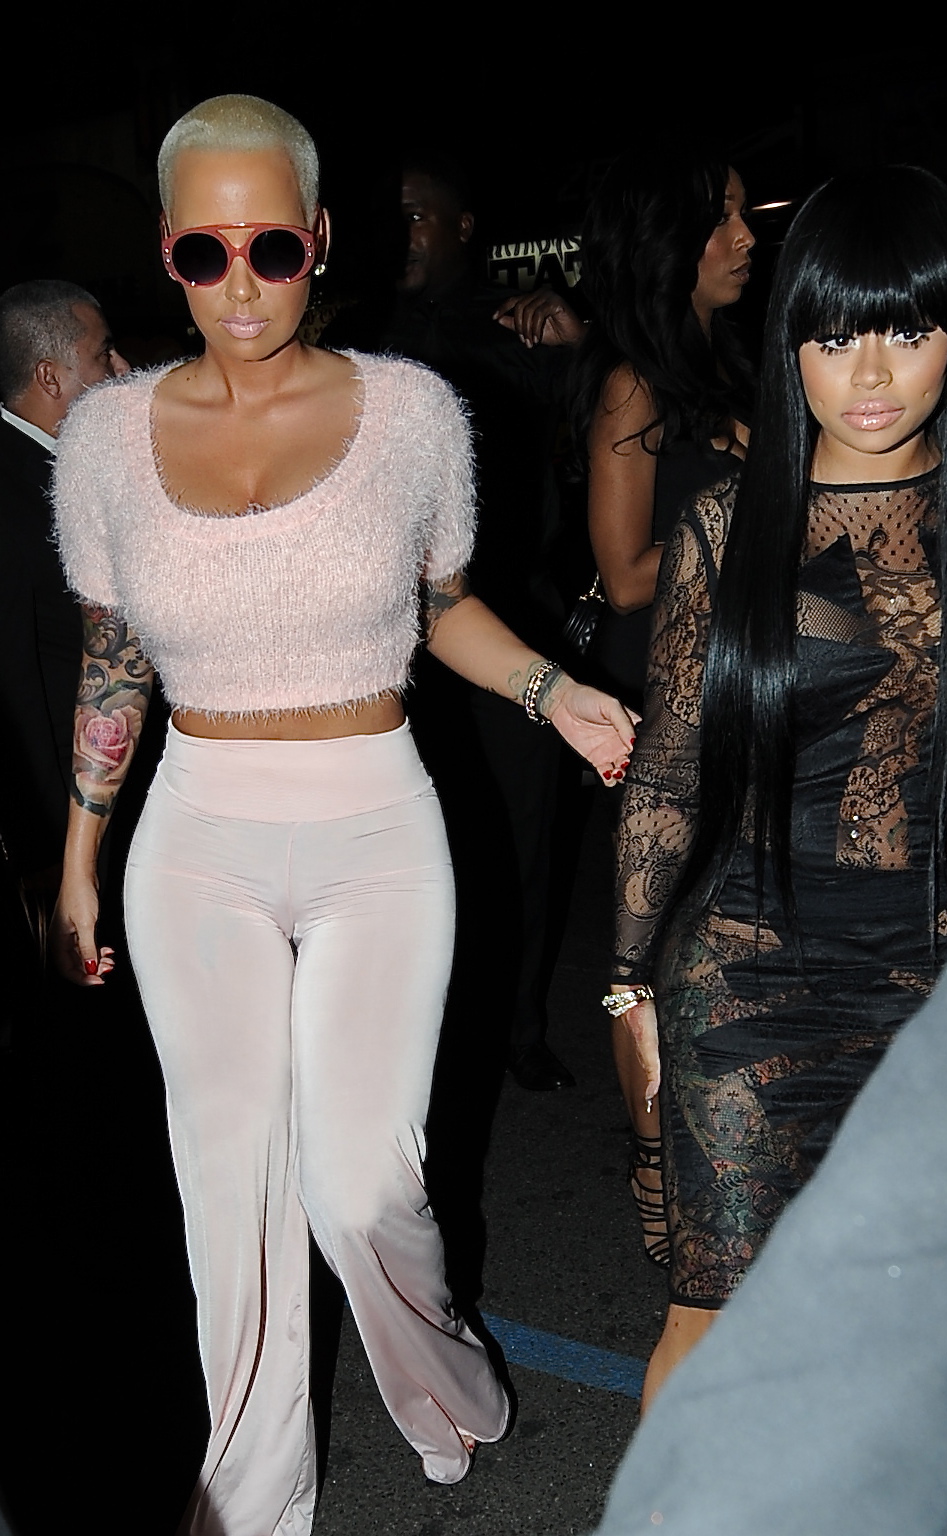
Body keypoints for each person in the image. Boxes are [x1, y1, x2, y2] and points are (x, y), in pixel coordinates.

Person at [49, 94, 635, 1536]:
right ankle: (254, 1487)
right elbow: (114, 658)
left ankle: (442, 1374)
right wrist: (78, 856)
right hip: (196, 832)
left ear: (317, 240)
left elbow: (444, 609)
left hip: (374, 818)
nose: (240, 284)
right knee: (226, 1170)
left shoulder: (409, 415)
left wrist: (554, 689)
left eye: (271, 247)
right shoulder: (106, 438)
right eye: (204, 251)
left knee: (363, 1181)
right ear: (167, 253)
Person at [610, 166, 947, 1409]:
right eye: (834, 338)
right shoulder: (726, 529)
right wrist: (628, 980)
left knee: (920, 1342)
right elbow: (670, 768)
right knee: (709, 1326)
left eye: (908, 331)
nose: (872, 374)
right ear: (790, 344)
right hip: (748, 971)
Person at [481, 816, 947, 1536]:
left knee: (911, 1325)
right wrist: (628, 986)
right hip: (747, 952)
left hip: (933, 957)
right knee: (706, 1311)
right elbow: (668, 782)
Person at [327, 154, 586, 1093]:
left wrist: (579, 343)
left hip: (506, 618)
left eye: (419, 217)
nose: (401, 236)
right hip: (381, 642)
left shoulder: (521, 328)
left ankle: (516, 1027)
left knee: (521, 839)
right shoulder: (350, 340)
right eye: (389, 220)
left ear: (464, 227)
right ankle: (413, 1035)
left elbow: (601, 442)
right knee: (394, 846)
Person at [551, 151, 757, 1263]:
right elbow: (625, 574)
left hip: (752, 696)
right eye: (721, 218)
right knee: (653, 960)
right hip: (664, 709)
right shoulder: (634, 384)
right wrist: (741, 540)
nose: (744, 237)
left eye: (741, 215)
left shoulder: (737, 367)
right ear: (669, 241)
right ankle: (654, 1164)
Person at [0, 281, 128, 913]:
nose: (122, 368)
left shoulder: (83, 466)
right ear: (51, 377)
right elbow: (1, 709)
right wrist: (55, 864)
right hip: (76, 843)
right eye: (104, 354)